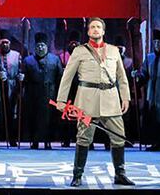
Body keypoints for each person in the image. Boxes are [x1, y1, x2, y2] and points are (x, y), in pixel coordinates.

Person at [56, 17, 133, 187]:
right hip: (87, 99)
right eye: (92, 27)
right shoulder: (79, 51)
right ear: (88, 31)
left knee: (118, 137)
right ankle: (77, 175)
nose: (96, 29)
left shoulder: (113, 51)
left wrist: (125, 97)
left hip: (111, 99)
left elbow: (121, 77)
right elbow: (67, 77)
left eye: (99, 27)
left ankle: (120, 174)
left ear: (103, 31)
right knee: (83, 138)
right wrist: (61, 100)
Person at [21, 32, 63, 149]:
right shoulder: (28, 60)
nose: (40, 48)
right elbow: (23, 78)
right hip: (33, 93)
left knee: (49, 118)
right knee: (34, 117)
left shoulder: (55, 59)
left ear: (46, 46)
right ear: (35, 47)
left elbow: (59, 77)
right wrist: (21, 78)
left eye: (42, 45)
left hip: (50, 93)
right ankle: (34, 141)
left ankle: (47, 141)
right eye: (38, 46)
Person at [137, 28, 160, 151]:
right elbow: (144, 74)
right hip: (151, 90)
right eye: (155, 42)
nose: (157, 44)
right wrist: (138, 76)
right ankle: (153, 141)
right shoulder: (149, 57)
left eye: (159, 42)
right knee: (151, 115)